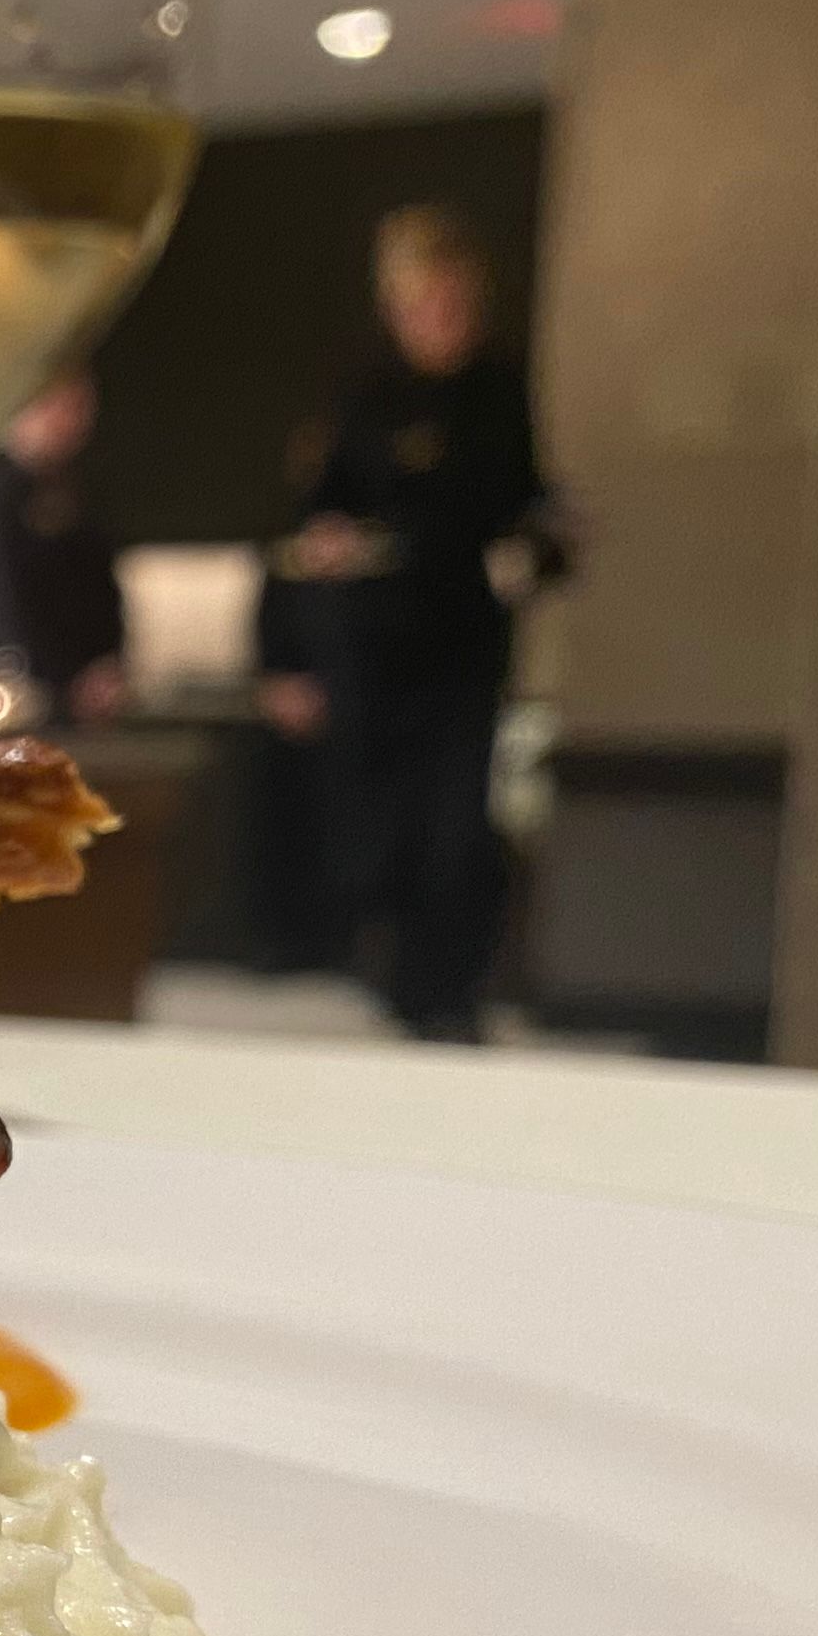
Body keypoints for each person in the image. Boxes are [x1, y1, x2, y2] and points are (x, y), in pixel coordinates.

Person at [264, 204, 571, 1041]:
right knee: (382, 822)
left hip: (464, 641)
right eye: (422, 305)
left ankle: (451, 992)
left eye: (452, 304)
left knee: (458, 823)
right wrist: (291, 649)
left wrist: (542, 544)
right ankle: (392, 983)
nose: (439, 320)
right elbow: (307, 526)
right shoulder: (364, 395)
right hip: (372, 646)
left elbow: (526, 506)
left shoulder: (498, 391)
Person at [0, 369, 130, 730]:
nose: (72, 421)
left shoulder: (78, 490)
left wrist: (106, 664)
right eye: (59, 406)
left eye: (80, 407)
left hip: (75, 701)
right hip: (10, 698)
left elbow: (101, 591)